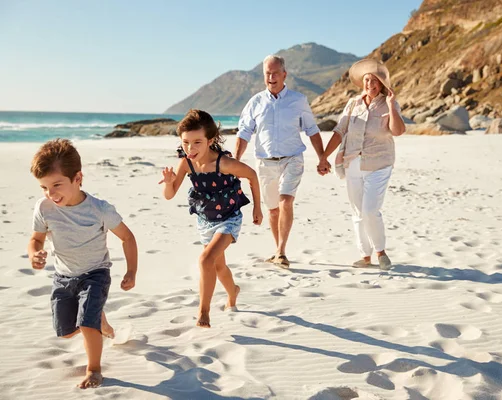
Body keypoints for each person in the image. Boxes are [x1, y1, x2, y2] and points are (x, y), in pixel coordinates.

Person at [27, 139, 138, 389]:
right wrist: (34, 253)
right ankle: (100, 321)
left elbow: (127, 237)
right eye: (44, 187)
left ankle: (94, 369)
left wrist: (131, 271)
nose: (50, 194)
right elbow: (35, 239)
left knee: (86, 323)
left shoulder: (99, 209)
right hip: (63, 277)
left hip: (95, 274)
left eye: (57, 185)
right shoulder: (43, 208)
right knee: (66, 331)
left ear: (78, 178)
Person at [159, 109, 262, 328]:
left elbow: (252, 175)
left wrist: (257, 209)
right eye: (185, 142)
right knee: (217, 266)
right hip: (205, 221)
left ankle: (203, 313)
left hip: (229, 219)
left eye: (197, 142)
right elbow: (169, 195)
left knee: (205, 260)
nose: (190, 148)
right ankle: (233, 291)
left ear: (211, 140)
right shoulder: (186, 164)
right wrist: (169, 182)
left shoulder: (223, 163)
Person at [234, 54, 329, 268]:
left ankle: (281, 251)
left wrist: (322, 157)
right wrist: (236, 161)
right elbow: (244, 133)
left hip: (292, 158)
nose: (271, 77)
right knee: (273, 210)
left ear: (284, 74)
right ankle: (278, 252)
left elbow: (312, 130)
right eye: (267, 73)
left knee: (286, 201)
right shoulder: (255, 102)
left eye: (275, 73)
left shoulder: (298, 100)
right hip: (265, 162)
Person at [322, 59, 405, 270]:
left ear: (382, 84)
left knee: (370, 210)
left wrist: (391, 107)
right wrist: (324, 156)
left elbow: (398, 131)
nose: (370, 84)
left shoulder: (389, 103)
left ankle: (381, 252)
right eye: (367, 80)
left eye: (375, 81)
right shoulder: (353, 104)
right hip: (352, 162)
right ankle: (365, 256)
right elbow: (340, 131)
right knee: (358, 212)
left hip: (379, 163)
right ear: (362, 82)